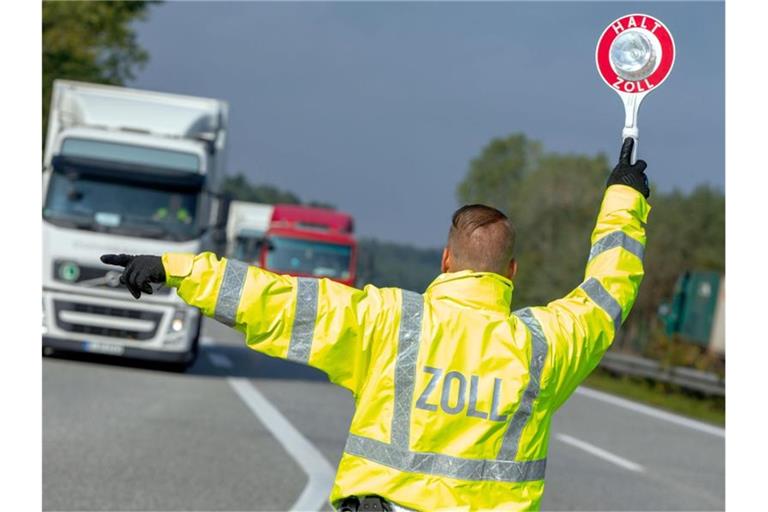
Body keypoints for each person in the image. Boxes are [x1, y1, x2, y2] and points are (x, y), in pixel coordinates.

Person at [101, 138, 650, 511]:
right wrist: (623, 198)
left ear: (445, 261)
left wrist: (178, 269)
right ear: (512, 271)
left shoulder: (392, 321)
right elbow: (609, 289)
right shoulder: (546, 343)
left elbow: (279, 300)